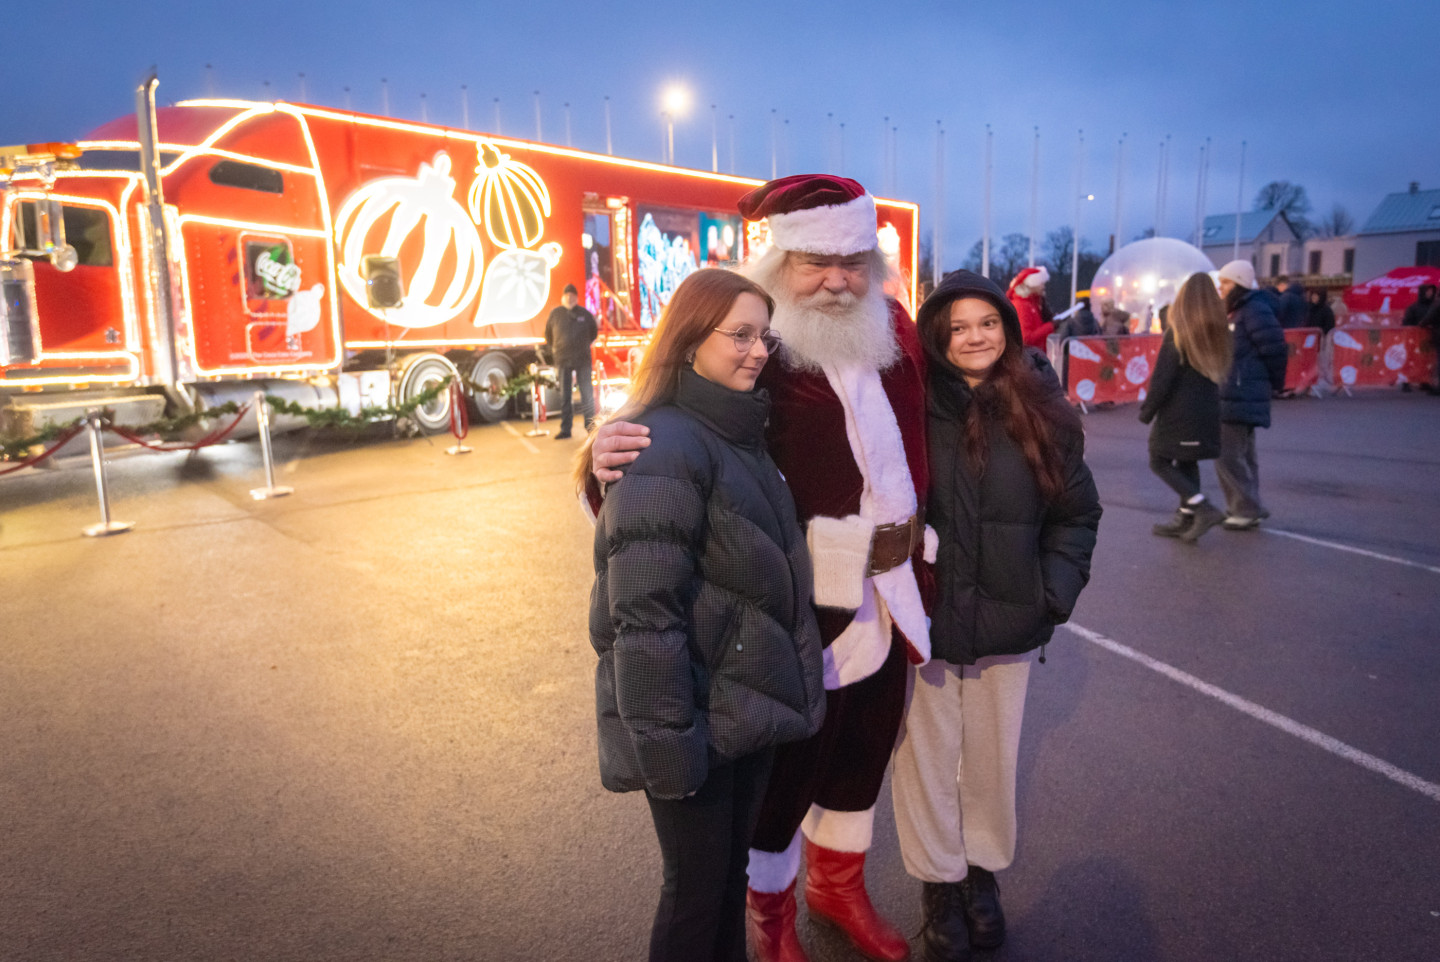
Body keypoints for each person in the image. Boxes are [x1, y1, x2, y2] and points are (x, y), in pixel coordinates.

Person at [591, 174, 931, 962]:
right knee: (786, 772)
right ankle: (769, 913)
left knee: (863, 753)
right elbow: (670, 424)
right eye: (817, 263)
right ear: (782, 260)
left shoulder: (896, 329)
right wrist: (604, 455)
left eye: (853, 263)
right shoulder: (756, 337)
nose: (838, 281)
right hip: (796, 599)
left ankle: (838, 887)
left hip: (893, 591)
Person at [579, 268, 827, 962]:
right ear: (690, 341)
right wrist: (668, 747)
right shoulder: (663, 445)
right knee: (694, 894)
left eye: (765, 337)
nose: (757, 351)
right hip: (692, 721)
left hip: (739, 710)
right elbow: (643, 619)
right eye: (739, 335)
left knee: (724, 882)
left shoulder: (737, 432)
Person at [896, 270, 1100, 962]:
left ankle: (980, 875)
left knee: (990, 758)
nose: (974, 337)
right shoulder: (911, 406)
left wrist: (1051, 594)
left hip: (1010, 621)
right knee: (925, 761)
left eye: (986, 322)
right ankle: (938, 883)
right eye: (957, 327)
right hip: (926, 623)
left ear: (1007, 328)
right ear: (936, 336)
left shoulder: (1042, 405)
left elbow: (1076, 514)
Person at [1138, 274, 1234, 543]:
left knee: (1158, 459)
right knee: (1186, 460)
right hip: (1207, 410)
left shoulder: (1179, 332)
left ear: (1184, 300)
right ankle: (1186, 516)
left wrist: (1147, 411)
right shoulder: (1218, 332)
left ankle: (1201, 506)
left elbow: (1163, 379)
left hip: (1179, 413)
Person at [1214, 260, 1288, 529]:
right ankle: (1248, 505)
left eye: (1225, 282)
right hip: (1240, 391)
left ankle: (1245, 508)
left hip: (1240, 392)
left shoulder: (1251, 310)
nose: (1221, 287)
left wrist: (1272, 384)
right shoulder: (1243, 310)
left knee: (1228, 454)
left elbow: (1275, 349)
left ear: (1238, 283)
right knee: (1242, 454)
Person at [544, 283, 599, 439]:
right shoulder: (555, 314)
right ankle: (565, 429)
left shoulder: (585, 314)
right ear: (563, 297)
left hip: (583, 360)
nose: (569, 298)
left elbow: (593, 333)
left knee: (587, 394)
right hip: (563, 359)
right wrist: (556, 349)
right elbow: (548, 335)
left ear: (576, 297)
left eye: (572, 295)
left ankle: (590, 427)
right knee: (565, 396)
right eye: (567, 295)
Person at [1005, 266, 1053, 350]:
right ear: (1032, 285)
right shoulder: (1022, 305)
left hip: (1034, 353)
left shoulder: (1032, 303)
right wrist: (1051, 326)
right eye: (1041, 283)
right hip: (1030, 355)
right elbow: (1025, 339)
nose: (1043, 287)